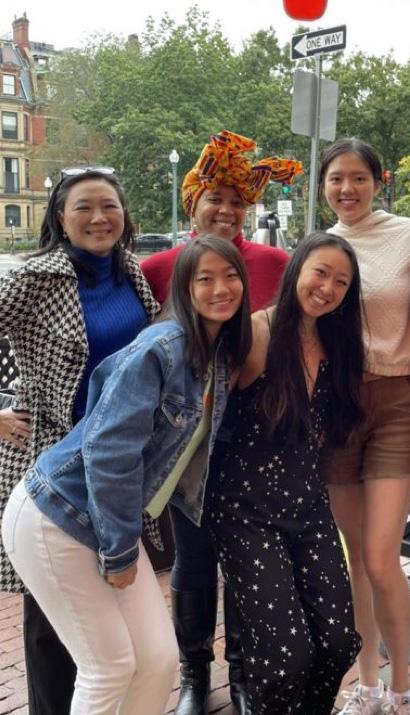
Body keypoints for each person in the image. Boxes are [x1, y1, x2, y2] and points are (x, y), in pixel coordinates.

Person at [1, 235, 251, 714]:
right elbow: (109, 452)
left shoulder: (217, 353)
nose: (220, 288)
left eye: (230, 276)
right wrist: (118, 552)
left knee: (157, 659)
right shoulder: (163, 348)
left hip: (103, 516)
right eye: (205, 278)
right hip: (56, 515)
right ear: (184, 288)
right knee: (109, 666)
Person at [141, 130, 302, 715]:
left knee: (246, 559)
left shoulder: (277, 265)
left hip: (258, 437)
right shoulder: (158, 268)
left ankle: (242, 672)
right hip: (188, 442)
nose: (227, 210)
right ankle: (194, 672)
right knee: (193, 559)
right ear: (194, 202)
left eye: (238, 201)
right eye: (216, 199)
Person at [0, 167, 159, 714]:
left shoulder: (131, 272)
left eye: (109, 206)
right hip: (51, 457)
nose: (98, 218)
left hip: (115, 463)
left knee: (105, 611)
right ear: (61, 218)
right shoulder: (37, 276)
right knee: (52, 619)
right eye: (84, 207)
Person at [206, 232, 364, 714]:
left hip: (308, 506)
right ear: (297, 270)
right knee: (285, 659)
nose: (328, 288)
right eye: (321, 273)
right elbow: (198, 412)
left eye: (341, 282)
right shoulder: (255, 333)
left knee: (339, 643)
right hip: (245, 511)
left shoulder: (338, 345)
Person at [318, 138, 410, 715]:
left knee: (383, 558)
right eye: (336, 178)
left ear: (378, 182)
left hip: (395, 402)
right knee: (357, 558)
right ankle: (366, 685)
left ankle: (402, 689)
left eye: (358, 177)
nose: (347, 189)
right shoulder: (320, 246)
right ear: (323, 185)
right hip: (335, 406)